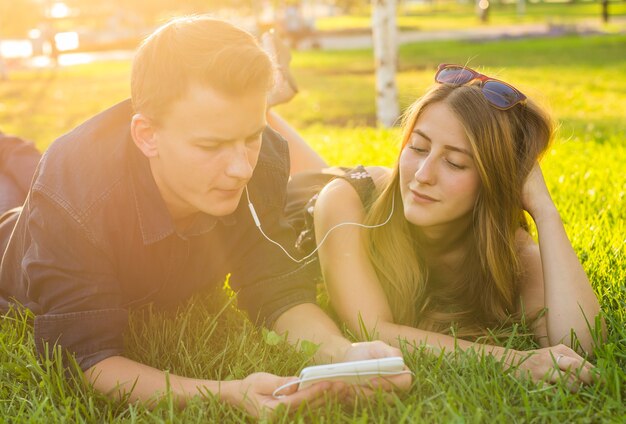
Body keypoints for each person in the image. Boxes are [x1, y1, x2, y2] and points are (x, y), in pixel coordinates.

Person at [0, 16, 410, 417]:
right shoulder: (75, 190)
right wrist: (230, 393)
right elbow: (85, 360)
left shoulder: (263, 158)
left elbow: (277, 289)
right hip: (19, 232)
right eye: (211, 145)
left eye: (250, 136)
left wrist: (343, 353)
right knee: (16, 172)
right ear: (147, 135)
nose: (240, 169)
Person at [285, 64, 603, 391]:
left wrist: (544, 209)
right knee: (292, 168)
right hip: (297, 203)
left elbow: (580, 346)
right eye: (418, 148)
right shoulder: (345, 202)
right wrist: (514, 362)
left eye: (454, 162)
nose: (423, 174)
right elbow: (372, 328)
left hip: (339, 188)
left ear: (491, 183)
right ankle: (269, 102)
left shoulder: (507, 249)